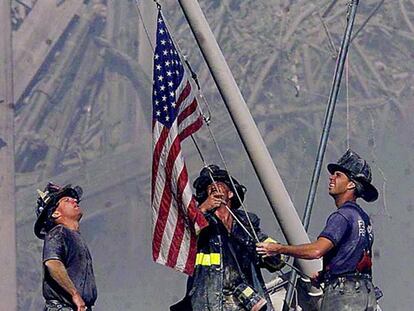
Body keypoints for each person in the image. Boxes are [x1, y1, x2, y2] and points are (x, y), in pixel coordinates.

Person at [256, 149, 379, 310]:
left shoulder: (343, 216)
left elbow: (316, 251)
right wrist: (325, 274)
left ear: (351, 184)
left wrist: (279, 248)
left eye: (338, 175)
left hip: (344, 296)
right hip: (366, 294)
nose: (331, 177)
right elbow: (352, 257)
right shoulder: (363, 218)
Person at [171, 165, 283, 311]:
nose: (213, 187)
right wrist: (203, 209)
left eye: (219, 184)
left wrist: (274, 253)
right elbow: (183, 240)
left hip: (246, 302)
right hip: (210, 302)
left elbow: (277, 260)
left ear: (230, 193)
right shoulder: (203, 223)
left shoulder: (246, 227)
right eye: (209, 186)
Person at [34, 182, 97, 311]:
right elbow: (52, 263)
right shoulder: (58, 233)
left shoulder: (73, 237)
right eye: (67, 200)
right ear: (55, 214)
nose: (74, 200)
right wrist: (74, 294)